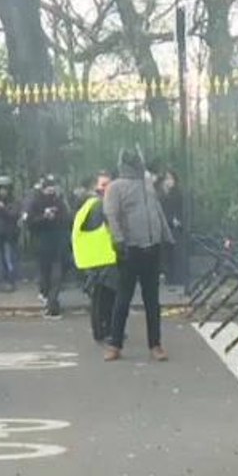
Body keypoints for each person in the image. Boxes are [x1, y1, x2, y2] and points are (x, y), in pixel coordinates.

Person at [103, 148, 174, 362]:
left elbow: (157, 211)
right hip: (129, 249)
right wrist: (119, 241)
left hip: (151, 248)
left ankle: (156, 345)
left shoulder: (146, 184)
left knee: (152, 301)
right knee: (123, 299)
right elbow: (111, 216)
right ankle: (115, 344)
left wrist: (167, 237)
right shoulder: (115, 187)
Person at [73, 171, 118, 344]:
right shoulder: (98, 205)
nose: (106, 187)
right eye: (103, 184)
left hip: (101, 256)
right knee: (102, 298)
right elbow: (104, 230)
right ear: (96, 187)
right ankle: (102, 331)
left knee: (105, 297)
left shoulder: (93, 204)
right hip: (101, 257)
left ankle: (107, 329)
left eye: (108, 183)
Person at [27, 175, 69, 319]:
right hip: (42, 245)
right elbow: (30, 223)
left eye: (53, 187)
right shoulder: (35, 202)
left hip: (57, 244)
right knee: (45, 276)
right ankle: (46, 296)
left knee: (56, 277)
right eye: (49, 187)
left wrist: (57, 217)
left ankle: (53, 306)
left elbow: (66, 219)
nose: (52, 190)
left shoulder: (59, 201)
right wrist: (43, 217)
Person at [0, 176, 21, 292]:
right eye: (0, 189)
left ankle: (11, 281)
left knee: (9, 259)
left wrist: (3, 209)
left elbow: (14, 214)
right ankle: (1, 282)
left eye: (5, 189)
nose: (3, 191)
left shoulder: (13, 201)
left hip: (9, 236)